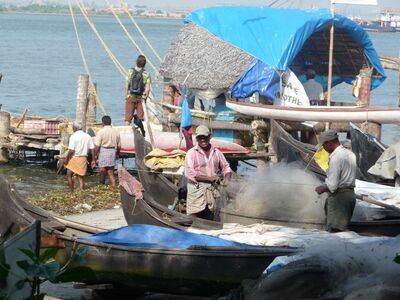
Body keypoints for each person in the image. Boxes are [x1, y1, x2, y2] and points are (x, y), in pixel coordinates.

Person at [184, 125, 232, 219]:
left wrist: (227, 179)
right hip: (197, 190)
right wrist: (209, 179)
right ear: (196, 139)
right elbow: (189, 173)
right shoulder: (191, 153)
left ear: (210, 136)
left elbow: (226, 168)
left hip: (212, 189)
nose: (202, 140)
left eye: (205, 137)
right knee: (194, 216)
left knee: (212, 215)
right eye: (200, 138)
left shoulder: (217, 152)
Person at [315, 130, 357, 232]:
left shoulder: (336, 157)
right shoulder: (350, 154)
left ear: (329, 143)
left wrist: (322, 187)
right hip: (350, 196)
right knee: (341, 231)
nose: (323, 149)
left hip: (339, 198)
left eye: (323, 146)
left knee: (334, 232)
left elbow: (333, 185)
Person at [64, 121, 95, 192]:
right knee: (80, 178)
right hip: (83, 158)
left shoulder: (73, 136)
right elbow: (92, 148)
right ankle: (81, 191)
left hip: (74, 157)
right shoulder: (87, 136)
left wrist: (66, 159)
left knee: (69, 175)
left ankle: (72, 192)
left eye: (72, 127)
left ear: (75, 128)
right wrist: (93, 160)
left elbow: (71, 150)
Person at [124, 55, 151, 136]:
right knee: (139, 119)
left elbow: (126, 86)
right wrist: (144, 98)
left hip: (130, 97)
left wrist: (126, 96)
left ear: (136, 62)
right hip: (140, 98)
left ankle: (126, 135)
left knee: (127, 119)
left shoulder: (130, 71)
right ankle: (138, 136)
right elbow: (147, 88)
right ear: (145, 64)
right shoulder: (146, 73)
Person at [94, 115, 121, 187]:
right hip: (112, 151)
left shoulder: (101, 131)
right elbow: (119, 146)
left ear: (102, 123)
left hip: (104, 151)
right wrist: (117, 154)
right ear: (110, 122)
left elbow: (97, 146)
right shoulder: (116, 132)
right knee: (111, 171)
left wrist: (95, 156)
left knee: (102, 170)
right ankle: (114, 186)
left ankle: (101, 185)